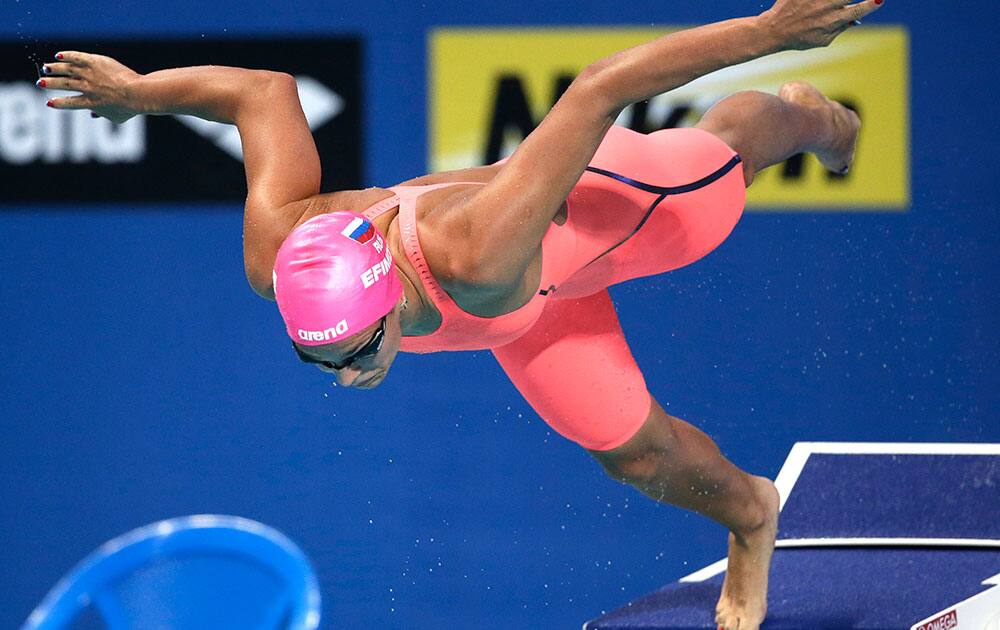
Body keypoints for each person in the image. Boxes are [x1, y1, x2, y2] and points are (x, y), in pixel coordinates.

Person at [40, 0, 883, 627]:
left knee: (716, 170)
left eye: (359, 350)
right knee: (634, 458)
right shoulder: (279, 254)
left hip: (607, 219)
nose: (346, 375)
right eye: (319, 358)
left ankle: (807, 115)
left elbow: (602, 88)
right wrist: (142, 94)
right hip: (526, 305)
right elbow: (263, 94)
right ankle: (753, 515)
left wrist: (774, 29)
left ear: (389, 297)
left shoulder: (475, 252)